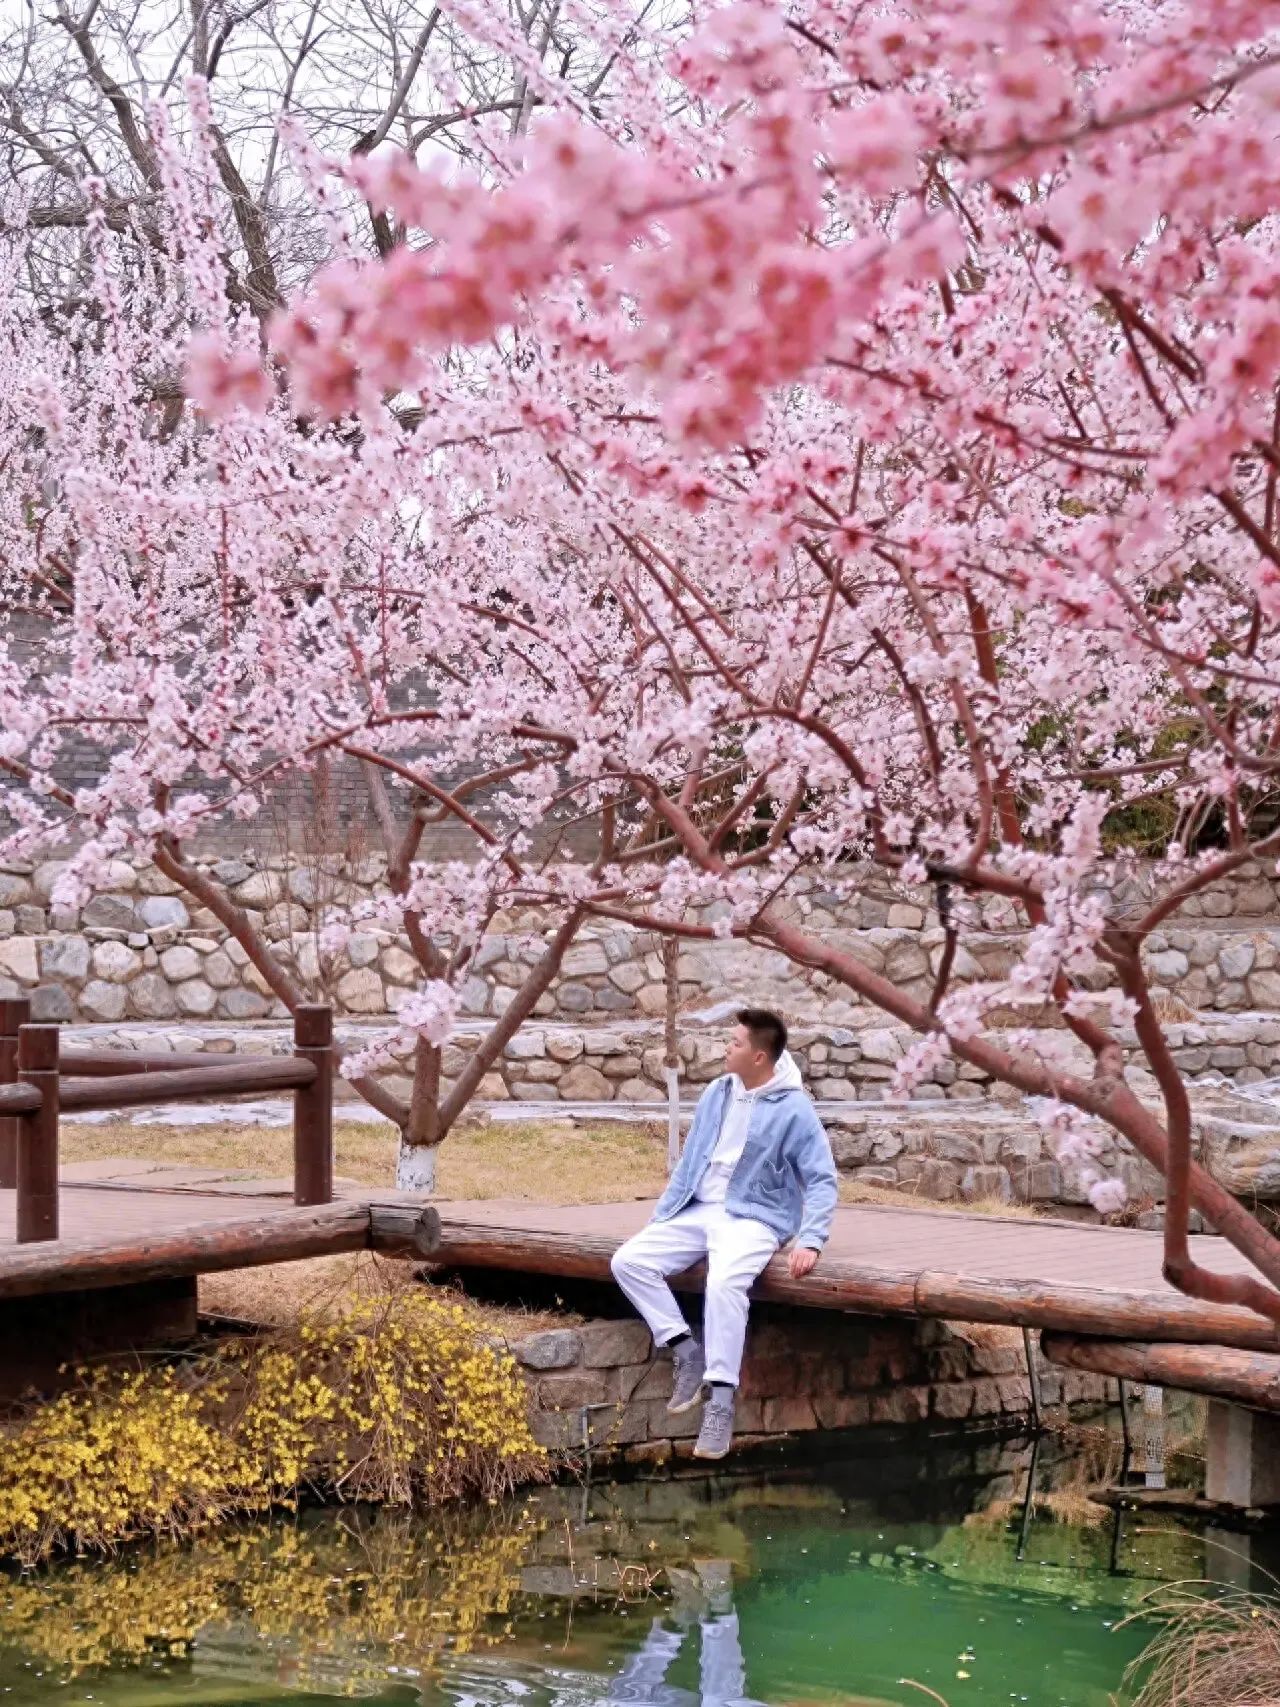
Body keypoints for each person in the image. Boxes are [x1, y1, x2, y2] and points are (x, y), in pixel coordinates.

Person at [610, 1007, 837, 1461]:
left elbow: (822, 1178)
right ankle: (685, 1348)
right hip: (698, 1210)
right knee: (628, 1261)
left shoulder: (794, 1108)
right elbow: (691, 1160)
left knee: (725, 1282)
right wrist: (662, 1217)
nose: (724, 1048)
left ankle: (720, 1398)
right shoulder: (718, 1091)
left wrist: (811, 1239)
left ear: (759, 1057)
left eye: (734, 1043)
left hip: (755, 1216)